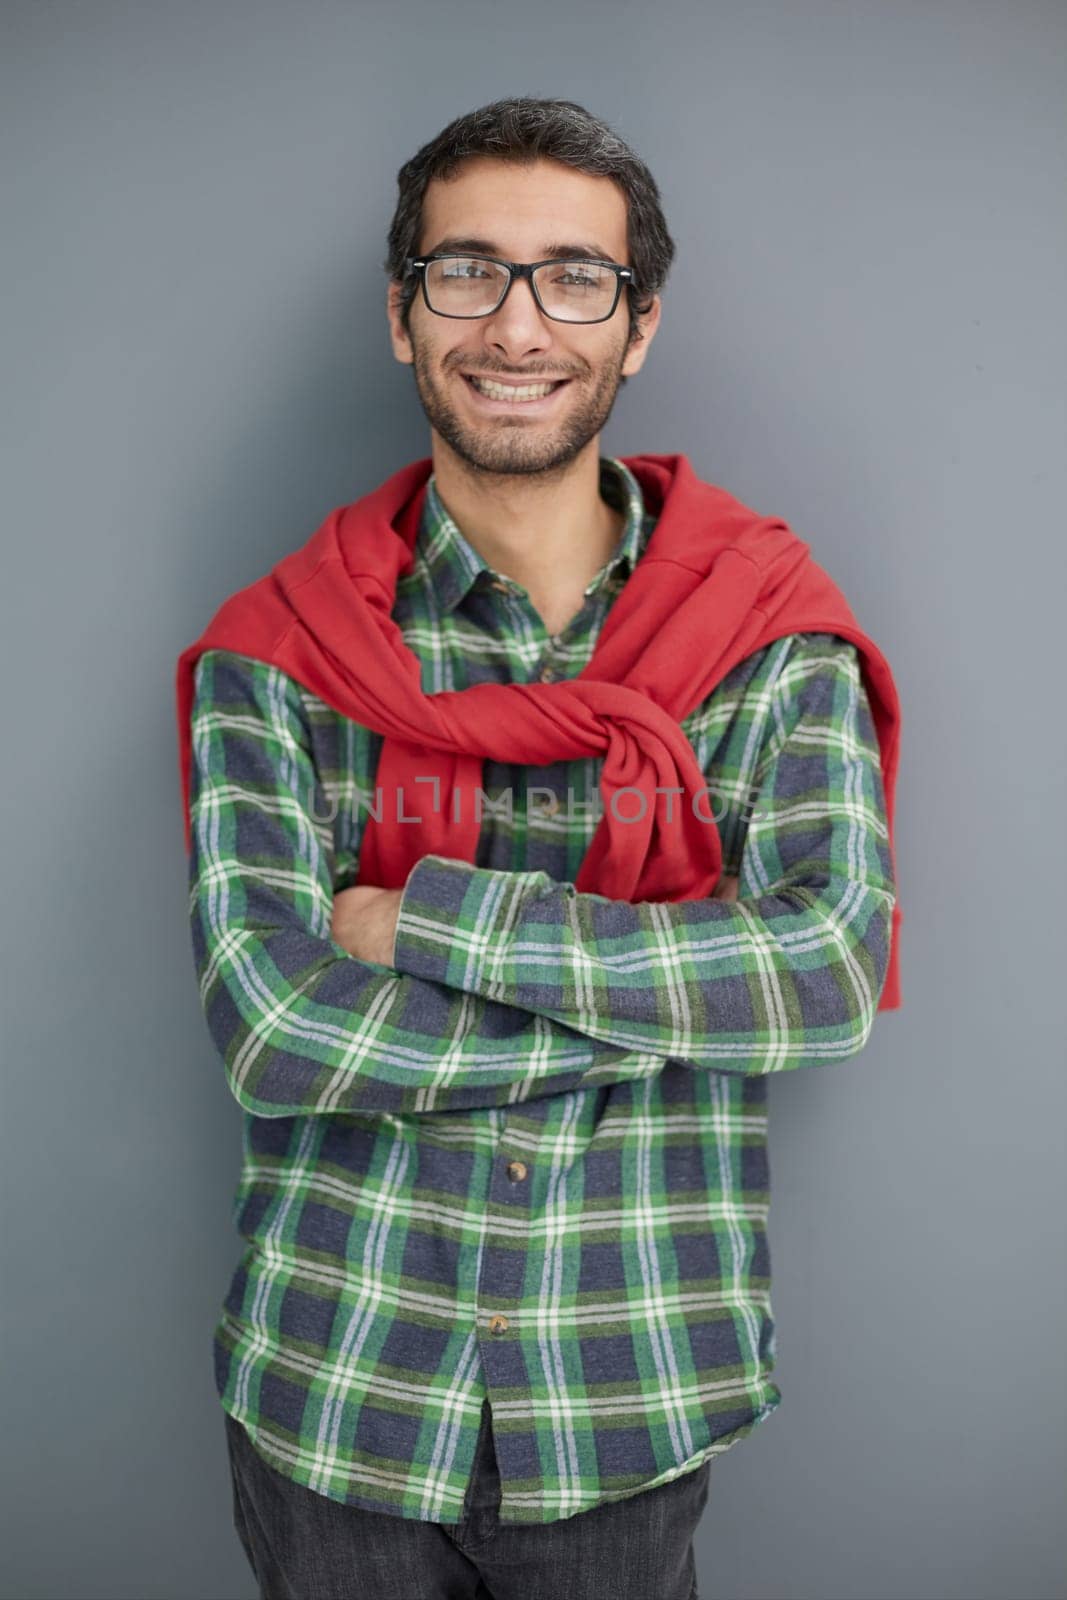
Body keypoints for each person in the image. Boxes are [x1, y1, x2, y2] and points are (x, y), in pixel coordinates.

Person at [177, 96, 901, 1600]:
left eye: (575, 276)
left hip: (628, 1397)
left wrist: (426, 921)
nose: (518, 325)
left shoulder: (765, 639)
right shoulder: (285, 650)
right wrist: (677, 1007)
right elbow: (277, 1028)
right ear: (401, 313)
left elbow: (828, 972)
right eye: (468, 272)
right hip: (335, 1390)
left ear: (637, 327)